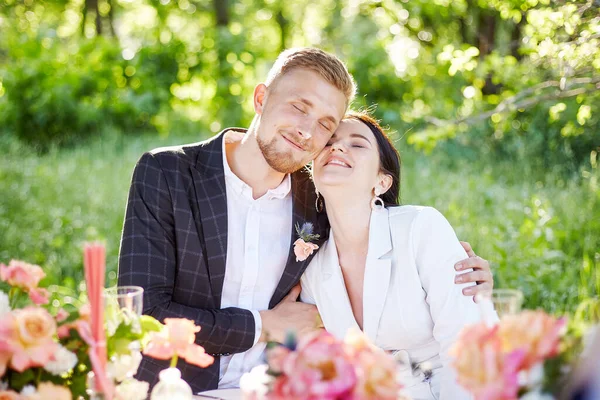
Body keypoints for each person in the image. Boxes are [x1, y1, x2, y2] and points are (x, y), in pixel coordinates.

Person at [117, 48, 493, 392]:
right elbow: (143, 314)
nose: (308, 132)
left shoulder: (318, 202)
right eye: (299, 106)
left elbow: (381, 241)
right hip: (172, 388)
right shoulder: (168, 173)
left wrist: (462, 279)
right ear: (261, 98)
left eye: (326, 123)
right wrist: (264, 326)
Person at [300, 112, 483, 399]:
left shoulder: (421, 228)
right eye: (329, 142)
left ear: (382, 182)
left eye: (357, 144)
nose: (336, 147)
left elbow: (466, 346)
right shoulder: (312, 265)